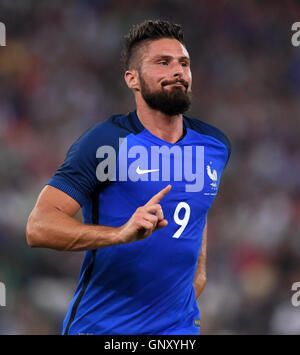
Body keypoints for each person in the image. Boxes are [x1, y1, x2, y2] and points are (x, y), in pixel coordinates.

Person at [26, 19, 231, 335]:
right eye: (163, 62)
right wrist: (118, 234)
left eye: (184, 63)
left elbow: (198, 212)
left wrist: (198, 275)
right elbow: (39, 227)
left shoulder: (215, 146)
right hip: (103, 328)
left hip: (177, 331)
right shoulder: (106, 142)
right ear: (132, 79)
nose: (178, 71)